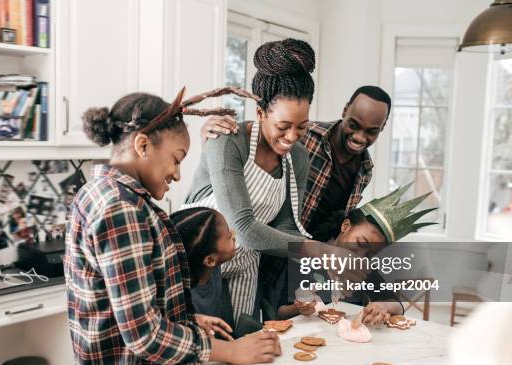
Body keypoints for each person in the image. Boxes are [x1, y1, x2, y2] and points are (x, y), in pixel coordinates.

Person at [64, 90, 281, 365]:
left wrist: (185, 320)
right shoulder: (121, 209)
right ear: (143, 145)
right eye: (176, 159)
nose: (178, 175)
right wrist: (231, 352)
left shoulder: (100, 193)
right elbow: (143, 335)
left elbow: (128, 304)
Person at [201, 84, 392, 310]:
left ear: (382, 128)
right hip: (268, 249)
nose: (360, 137)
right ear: (344, 111)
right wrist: (212, 133)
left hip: (309, 261)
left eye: (371, 131)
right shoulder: (303, 136)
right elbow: (266, 126)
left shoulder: (365, 169)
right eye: (354, 125)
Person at [183, 38, 333, 323]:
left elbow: (287, 225)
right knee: (207, 351)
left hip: (247, 264)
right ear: (261, 112)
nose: (292, 137)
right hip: (198, 264)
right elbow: (244, 228)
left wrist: (309, 276)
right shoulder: (227, 141)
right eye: (283, 126)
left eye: (302, 127)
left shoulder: (298, 158)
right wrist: (318, 250)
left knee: (247, 337)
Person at [282, 182, 438, 325]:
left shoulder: (363, 269)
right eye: (361, 243)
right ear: (345, 226)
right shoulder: (304, 257)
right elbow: (278, 312)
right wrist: (299, 308)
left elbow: (397, 304)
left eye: (370, 254)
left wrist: (382, 306)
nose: (361, 255)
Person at [170, 207, 237, 339]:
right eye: (229, 236)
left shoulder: (213, 269)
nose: (234, 234)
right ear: (210, 260)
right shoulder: (185, 299)